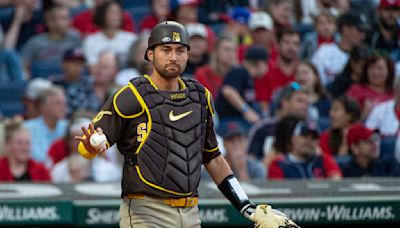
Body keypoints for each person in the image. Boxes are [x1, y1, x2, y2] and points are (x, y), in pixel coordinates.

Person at [76, 21, 299, 228]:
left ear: (188, 55)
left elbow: (212, 157)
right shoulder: (131, 95)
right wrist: (89, 147)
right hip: (146, 211)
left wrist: (246, 206)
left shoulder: (200, 96)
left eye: (180, 50)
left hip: (191, 213)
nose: (173, 57)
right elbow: (90, 144)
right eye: (166, 50)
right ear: (150, 54)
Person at [268, 117, 342, 180]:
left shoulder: (324, 160)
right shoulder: (279, 164)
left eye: (313, 138)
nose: (309, 141)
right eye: (305, 136)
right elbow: (277, 193)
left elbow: (336, 183)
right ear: (294, 139)